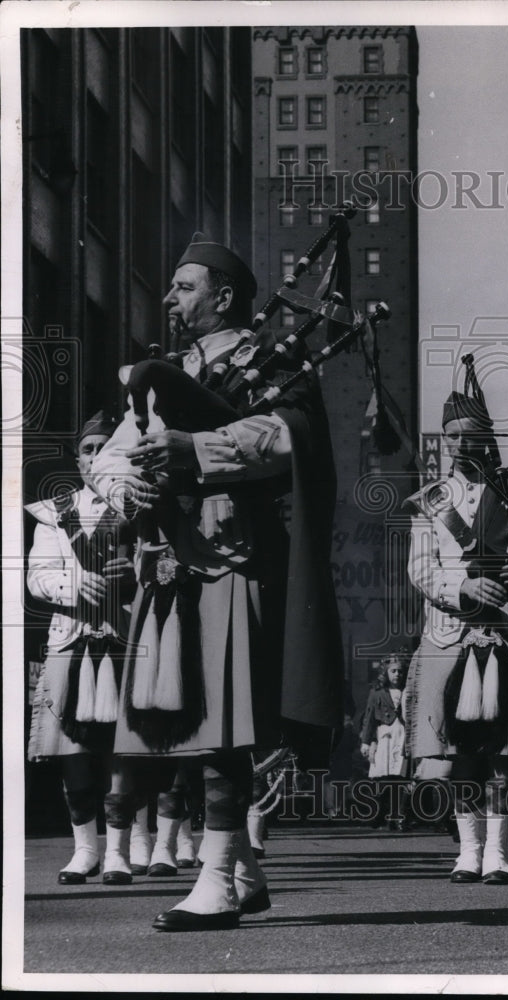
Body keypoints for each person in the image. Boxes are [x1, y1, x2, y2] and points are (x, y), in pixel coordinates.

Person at [90, 235, 344, 930]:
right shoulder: (164, 370)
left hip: (236, 552)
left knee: (224, 728)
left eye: (183, 287)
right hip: (170, 561)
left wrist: (196, 449)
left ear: (224, 297)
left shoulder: (274, 361)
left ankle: (215, 879)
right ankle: (245, 871)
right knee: (194, 721)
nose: (169, 299)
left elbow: (293, 437)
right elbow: (108, 457)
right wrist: (126, 487)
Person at [402, 376, 508, 885]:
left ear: (486, 435)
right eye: (451, 435)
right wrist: (463, 591)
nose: (459, 444)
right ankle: (468, 850)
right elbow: (421, 568)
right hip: (450, 634)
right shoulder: (429, 500)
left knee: (505, 755)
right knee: (459, 753)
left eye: (469, 434)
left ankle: (499, 853)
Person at [26, 412, 136, 884]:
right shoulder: (54, 512)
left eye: (106, 448)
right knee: (71, 750)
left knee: (122, 750)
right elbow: (37, 576)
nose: (96, 458)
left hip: (123, 638)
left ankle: (118, 852)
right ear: (78, 458)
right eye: (88, 449)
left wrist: (135, 578)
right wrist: (73, 583)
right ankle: (84, 849)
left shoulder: (140, 507)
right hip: (70, 639)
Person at [359, 653, 410, 831]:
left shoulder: (408, 691)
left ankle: (397, 817)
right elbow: (369, 719)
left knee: (400, 778)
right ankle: (379, 814)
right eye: (393, 671)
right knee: (383, 778)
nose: (397, 674)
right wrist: (366, 742)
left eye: (400, 671)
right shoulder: (377, 693)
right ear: (386, 673)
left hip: (402, 736)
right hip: (384, 738)